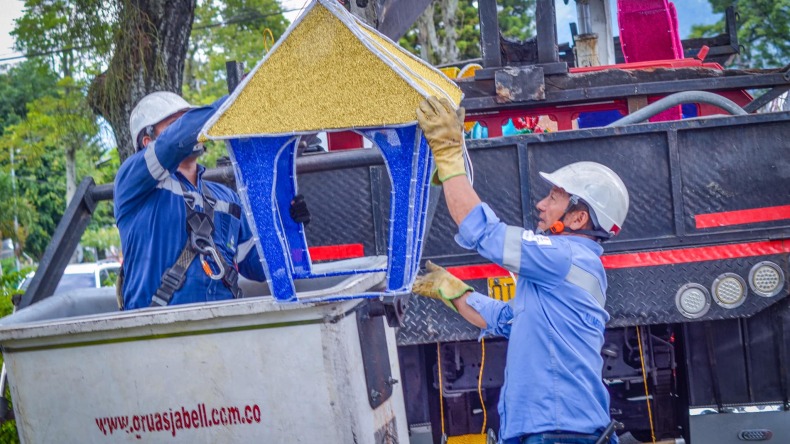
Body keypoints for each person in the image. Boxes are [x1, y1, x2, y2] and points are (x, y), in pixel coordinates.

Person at [413, 96, 629, 444]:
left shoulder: (564, 257)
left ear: (578, 217)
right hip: (557, 432)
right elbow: (507, 320)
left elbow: (482, 232)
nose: (542, 204)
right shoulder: (569, 269)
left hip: (559, 434)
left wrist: (449, 155)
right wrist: (453, 291)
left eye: (555, 197)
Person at [115, 91, 310, 310]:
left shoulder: (226, 198)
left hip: (221, 330)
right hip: (158, 331)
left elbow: (262, 268)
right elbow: (172, 144)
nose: (194, 131)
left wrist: (288, 227)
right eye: (176, 123)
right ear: (148, 142)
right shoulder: (133, 184)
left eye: (188, 120)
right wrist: (236, 98)